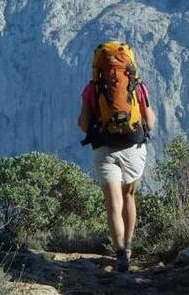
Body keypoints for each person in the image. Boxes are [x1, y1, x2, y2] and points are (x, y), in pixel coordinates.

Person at [77, 43, 157, 273]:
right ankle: (128, 247)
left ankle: (120, 253)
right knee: (128, 196)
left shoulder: (91, 89)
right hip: (133, 148)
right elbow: (150, 122)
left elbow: (83, 124)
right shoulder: (138, 86)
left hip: (104, 148)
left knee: (113, 202)